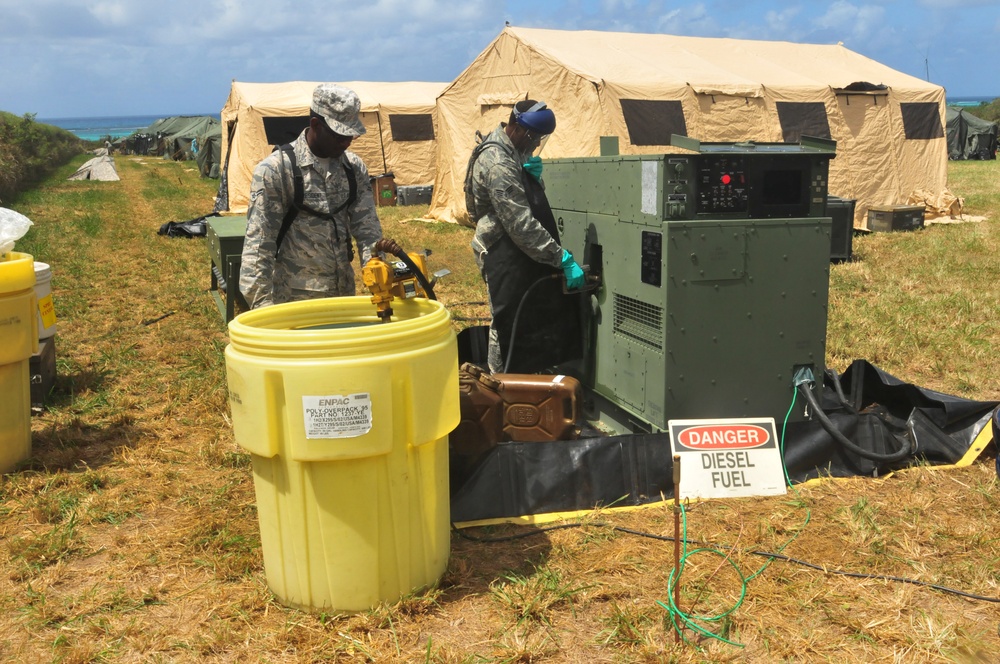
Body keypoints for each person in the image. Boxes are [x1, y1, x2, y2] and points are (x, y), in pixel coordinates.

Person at [240, 83, 402, 309]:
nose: (347, 142)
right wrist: (264, 313)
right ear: (315, 124)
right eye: (339, 135)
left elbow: (368, 232)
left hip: (343, 295)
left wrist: (378, 278)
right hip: (293, 303)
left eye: (351, 135)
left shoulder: (353, 169)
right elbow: (258, 249)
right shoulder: (277, 170)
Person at [465, 100, 585, 374]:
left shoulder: (513, 150)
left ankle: (527, 377)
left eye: (540, 139)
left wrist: (533, 178)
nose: (535, 145)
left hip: (517, 248)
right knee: (507, 321)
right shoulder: (497, 162)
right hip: (500, 249)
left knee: (528, 315)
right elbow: (520, 223)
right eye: (533, 138)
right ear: (516, 127)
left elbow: (524, 199)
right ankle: (500, 385)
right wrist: (560, 258)